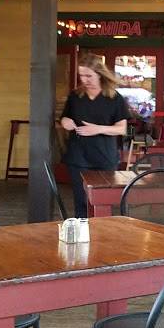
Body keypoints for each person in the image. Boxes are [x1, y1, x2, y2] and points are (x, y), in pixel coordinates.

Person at [60, 57, 131, 219]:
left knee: (103, 202)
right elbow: (64, 118)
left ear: (99, 74)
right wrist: (66, 122)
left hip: (104, 157)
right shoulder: (75, 96)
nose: (85, 80)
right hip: (78, 156)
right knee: (81, 201)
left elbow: (122, 129)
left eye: (89, 76)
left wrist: (98, 129)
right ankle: (82, 231)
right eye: (81, 75)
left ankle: (101, 232)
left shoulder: (114, 98)